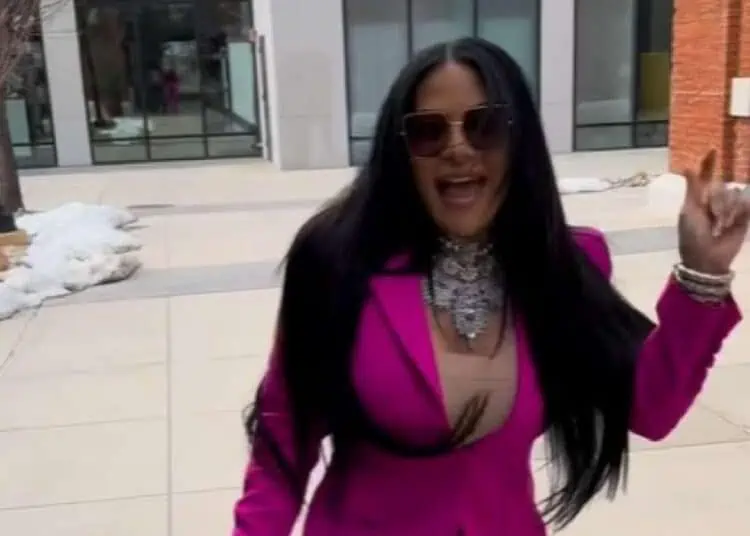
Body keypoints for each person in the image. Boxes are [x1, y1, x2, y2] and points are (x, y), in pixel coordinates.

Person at [232, 37, 746, 536]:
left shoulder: (560, 265)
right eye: (429, 132)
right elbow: (282, 447)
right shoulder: (335, 262)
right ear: (402, 152)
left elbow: (649, 409)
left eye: (485, 126)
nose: (458, 149)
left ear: (519, 141)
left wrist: (703, 274)